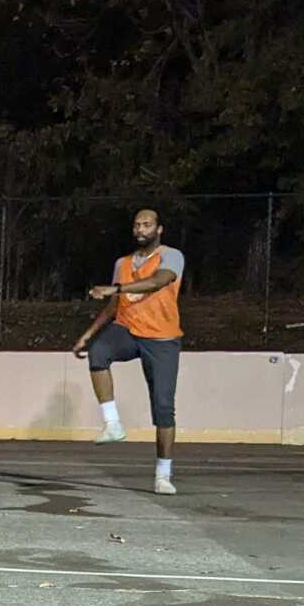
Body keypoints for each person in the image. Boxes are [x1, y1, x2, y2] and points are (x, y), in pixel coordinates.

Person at [72, 208, 184, 495]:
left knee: (163, 408)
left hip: (161, 337)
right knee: (98, 353)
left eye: (147, 224)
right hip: (128, 330)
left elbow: (159, 281)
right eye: (136, 225)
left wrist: (116, 288)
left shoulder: (171, 256)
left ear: (159, 229)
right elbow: (113, 306)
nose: (140, 229)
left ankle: (163, 474)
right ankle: (112, 424)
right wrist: (88, 334)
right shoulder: (122, 263)